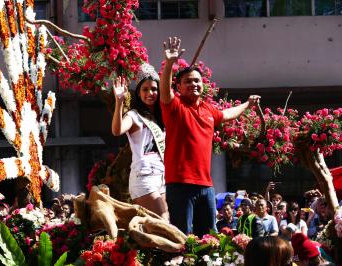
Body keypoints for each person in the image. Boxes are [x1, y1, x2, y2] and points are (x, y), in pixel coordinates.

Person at [159, 36, 260, 235]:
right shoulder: (175, 107)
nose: (193, 84)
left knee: (209, 237)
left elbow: (228, 114)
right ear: (178, 87)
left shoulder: (208, 110)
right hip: (180, 184)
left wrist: (248, 104)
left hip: (206, 185)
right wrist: (170, 63)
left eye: (197, 80)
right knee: (183, 237)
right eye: (187, 81)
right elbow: (163, 90)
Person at [111, 64, 168, 220]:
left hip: (162, 176)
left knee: (158, 226)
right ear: (138, 92)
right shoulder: (134, 115)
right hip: (144, 176)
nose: (150, 93)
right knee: (164, 220)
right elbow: (117, 130)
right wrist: (119, 102)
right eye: (145, 89)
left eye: (154, 89)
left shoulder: (161, 118)